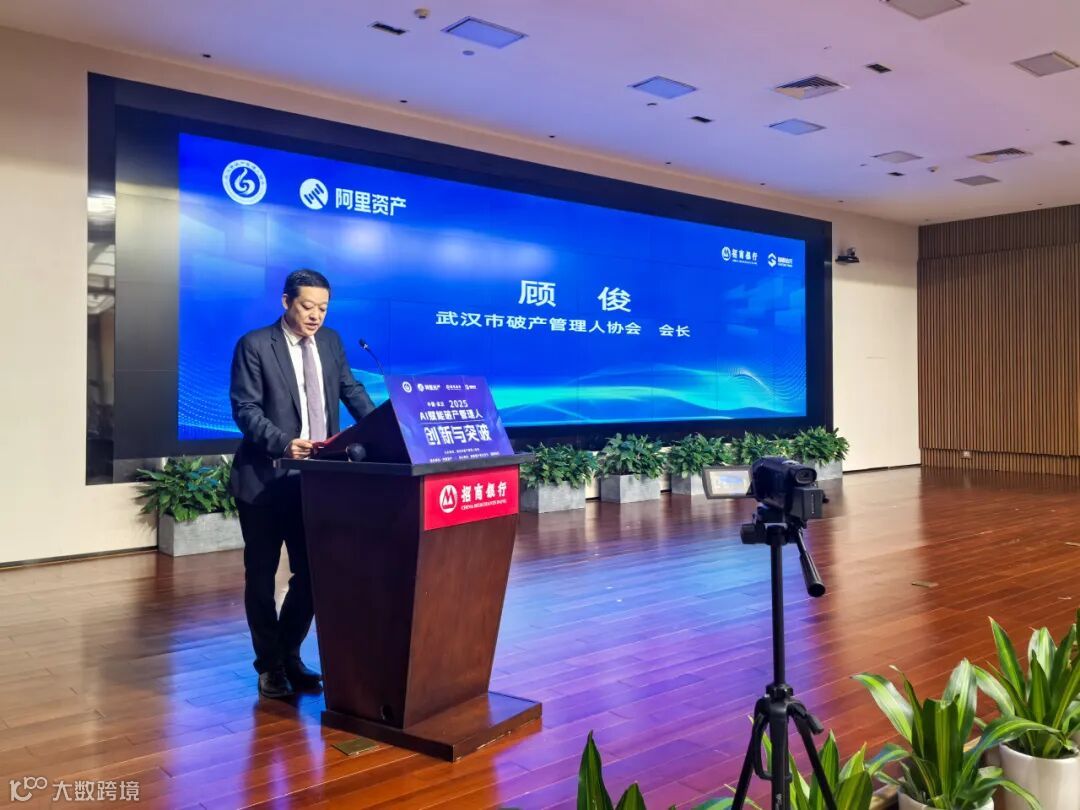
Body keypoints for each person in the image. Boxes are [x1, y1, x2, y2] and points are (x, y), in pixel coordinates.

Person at [229, 268, 374, 699]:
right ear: (286, 302)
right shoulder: (255, 344)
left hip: (315, 481)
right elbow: (246, 408)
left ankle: (289, 653)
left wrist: (388, 427)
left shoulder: (330, 342)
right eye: (308, 306)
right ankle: (269, 665)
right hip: (265, 479)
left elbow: (351, 390)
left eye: (323, 308)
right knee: (261, 577)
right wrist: (282, 443)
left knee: (312, 573)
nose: (316, 316)